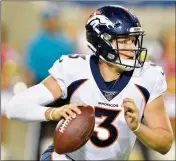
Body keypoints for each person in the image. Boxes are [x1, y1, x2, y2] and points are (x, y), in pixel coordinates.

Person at [4, 5, 173, 160]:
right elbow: (14, 107)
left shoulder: (147, 76)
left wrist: (138, 128)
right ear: (101, 42)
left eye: (133, 40)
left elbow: (165, 144)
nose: (132, 47)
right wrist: (53, 113)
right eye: (123, 41)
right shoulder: (74, 68)